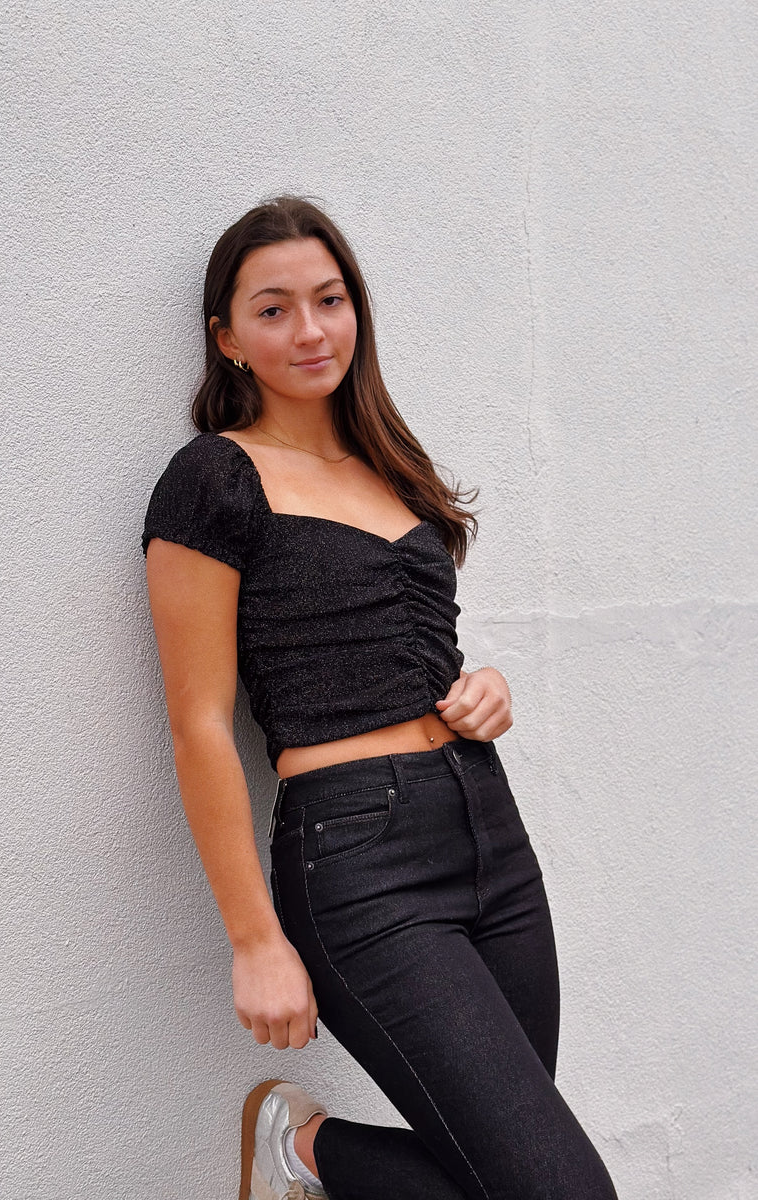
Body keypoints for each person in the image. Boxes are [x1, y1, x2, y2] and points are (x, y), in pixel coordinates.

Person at [142, 197, 617, 1200]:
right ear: (227, 339)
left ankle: (308, 1163)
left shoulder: (391, 468)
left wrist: (484, 689)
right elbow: (198, 722)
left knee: (499, 1176)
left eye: (330, 299)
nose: (310, 330)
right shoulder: (215, 478)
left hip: (488, 830)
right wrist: (255, 939)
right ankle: (302, 1148)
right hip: (359, 860)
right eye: (274, 310)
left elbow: (413, 650)